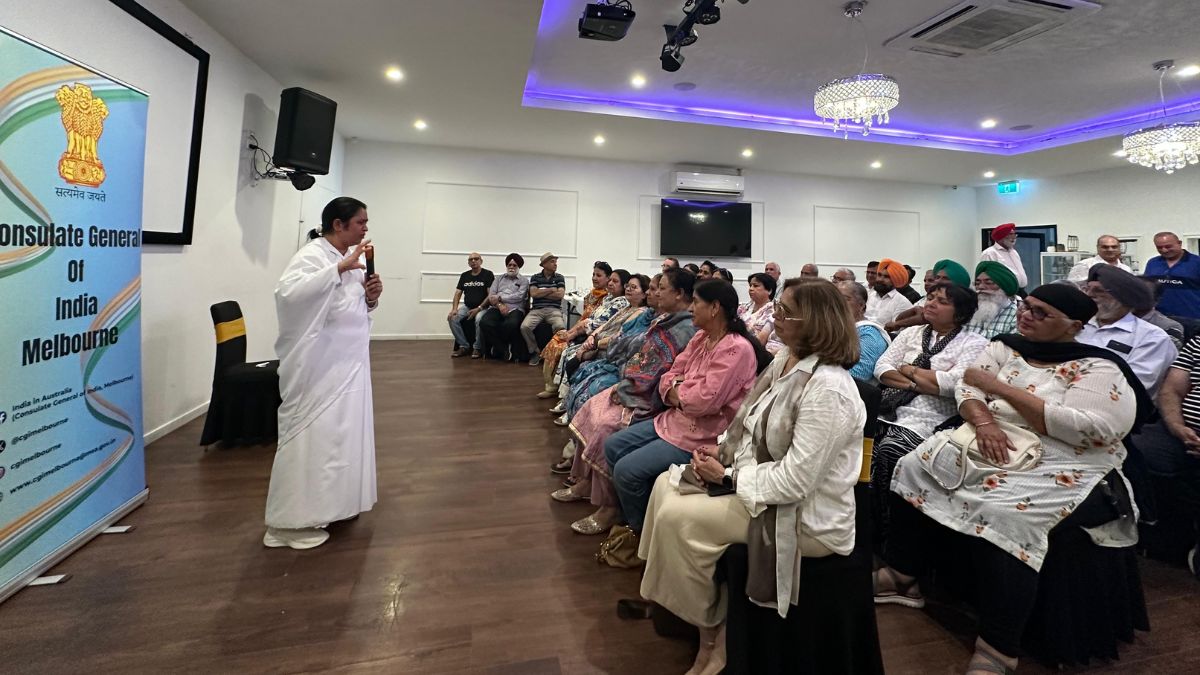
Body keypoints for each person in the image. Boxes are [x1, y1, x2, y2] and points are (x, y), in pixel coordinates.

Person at [875, 283, 1150, 674]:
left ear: (1073, 326)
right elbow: (969, 385)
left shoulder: (1098, 367)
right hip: (990, 436)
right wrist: (985, 420)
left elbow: (1093, 429)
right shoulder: (1006, 346)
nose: (1026, 316)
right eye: (1027, 307)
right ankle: (903, 575)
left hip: (1063, 457)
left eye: (1041, 313)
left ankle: (999, 646)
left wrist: (999, 390)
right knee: (913, 465)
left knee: (1008, 514)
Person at [638, 279, 866, 675]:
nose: (774, 318)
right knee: (663, 486)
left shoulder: (829, 390)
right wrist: (721, 451)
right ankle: (678, 607)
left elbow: (797, 482)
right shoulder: (787, 359)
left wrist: (729, 476)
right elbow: (751, 424)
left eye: (784, 313)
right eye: (777, 308)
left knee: (678, 518)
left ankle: (713, 634)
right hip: (763, 482)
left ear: (814, 322)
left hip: (808, 517)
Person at [264, 196, 382, 550]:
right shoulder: (314, 255)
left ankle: (333, 505)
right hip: (318, 369)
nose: (365, 228)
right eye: (360, 222)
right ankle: (288, 525)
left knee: (339, 438)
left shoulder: (350, 259)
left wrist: (370, 297)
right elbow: (288, 295)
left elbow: (348, 307)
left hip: (348, 366)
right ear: (338, 224)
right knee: (312, 441)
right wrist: (338, 270)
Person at [603, 280, 765, 535]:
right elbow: (668, 375)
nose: (690, 308)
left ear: (715, 308)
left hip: (705, 435)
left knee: (626, 471)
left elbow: (703, 402)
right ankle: (636, 516)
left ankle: (642, 532)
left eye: (696, 302)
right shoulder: (701, 337)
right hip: (675, 420)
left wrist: (679, 389)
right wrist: (679, 389)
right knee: (612, 446)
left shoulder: (736, 348)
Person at [552, 267, 698, 528]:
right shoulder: (666, 319)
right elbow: (640, 355)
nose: (656, 293)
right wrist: (626, 380)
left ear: (679, 294)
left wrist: (627, 387)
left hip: (651, 400)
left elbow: (661, 372)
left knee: (605, 425)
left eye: (661, 288)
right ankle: (585, 482)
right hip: (635, 384)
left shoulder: (686, 328)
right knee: (591, 406)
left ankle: (610, 507)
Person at [871, 283, 986, 541]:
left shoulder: (974, 343)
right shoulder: (911, 333)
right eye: (931, 297)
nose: (931, 303)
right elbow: (882, 368)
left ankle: (890, 533)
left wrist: (909, 369)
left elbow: (955, 383)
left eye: (942, 301)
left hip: (931, 418)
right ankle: (868, 524)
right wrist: (919, 383)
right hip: (889, 408)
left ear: (960, 313)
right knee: (861, 443)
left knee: (891, 449)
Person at [1133, 334, 1200, 577]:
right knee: (1133, 451)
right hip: (1181, 431)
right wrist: (1177, 426)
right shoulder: (1198, 342)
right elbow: (1171, 390)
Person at [560, 274, 656, 421]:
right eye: (628, 286)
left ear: (644, 294)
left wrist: (594, 344)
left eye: (634, 287)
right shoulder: (627, 307)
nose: (628, 289)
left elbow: (619, 339)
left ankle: (573, 412)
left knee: (580, 366)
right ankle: (567, 403)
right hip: (599, 343)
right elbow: (605, 324)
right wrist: (592, 337)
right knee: (571, 355)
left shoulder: (641, 313)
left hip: (612, 354)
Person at [1078, 264, 1177, 396]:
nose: (1089, 295)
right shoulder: (1075, 326)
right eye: (1087, 289)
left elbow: (1132, 385)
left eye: (1099, 291)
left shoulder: (1151, 338)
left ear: (1123, 297)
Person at [540, 269, 630, 398]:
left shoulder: (621, 303)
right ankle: (551, 386)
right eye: (610, 280)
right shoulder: (606, 298)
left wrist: (575, 333)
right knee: (556, 340)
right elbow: (588, 318)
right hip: (585, 333)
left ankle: (564, 393)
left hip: (595, 339)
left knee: (566, 350)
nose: (610, 283)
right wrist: (573, 331)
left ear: (623, 285)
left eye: (614, 281)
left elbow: (598, 324)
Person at [537, 262, 611, 379]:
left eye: (598, 275)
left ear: (608, 278)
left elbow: (595, 322)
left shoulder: (607, 299)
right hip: (579, 329)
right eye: (593, 274)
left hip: (589, 335)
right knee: (556, 339)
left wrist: (574, 333)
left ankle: (555, 382)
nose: (594, 278)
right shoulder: (592, 294)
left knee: (559, 346)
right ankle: (549, 382)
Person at [886, 259, 972, 334]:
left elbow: (925, 318)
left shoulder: (960, 303)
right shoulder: (923, 299)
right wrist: (915, 309)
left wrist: (898, 324)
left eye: (945, 278)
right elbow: (899, 319)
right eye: (937, 277)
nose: (938, 281)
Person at [477, 253, 530, 360]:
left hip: (515, 308)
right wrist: (500, 305)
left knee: (510, 324)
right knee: (484, 322)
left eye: (514, 265)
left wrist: (500, 297)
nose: (511, 267)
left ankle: (498, 347)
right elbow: (491, 296)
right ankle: (503, 348)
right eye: (509, 265)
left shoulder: (524, 281)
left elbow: (519, 297)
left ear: (519, 267)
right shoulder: (498, 279)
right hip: (497, 307)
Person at [838, 280, 890, 381]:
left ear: (861, 305)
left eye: (845, 299)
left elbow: (859, 374)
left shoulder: (869, 334)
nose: (837, 303)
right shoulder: (833, 327)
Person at [521, 252, 566, 366]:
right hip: (537, 310)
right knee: (525, 327)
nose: (555, 264)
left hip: (554, 310)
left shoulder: (559, 277)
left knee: (560, 326)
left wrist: (541, 292)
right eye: (552, 261)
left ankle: (554, 353)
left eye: (556, 262)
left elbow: (560, 295)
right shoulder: (535, 277)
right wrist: (551, 290)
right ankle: (535, 351)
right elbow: (533, 294)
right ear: (544, 264)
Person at [446, 252, 494, 358]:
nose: (473, 261)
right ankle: (464, 346)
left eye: (476, 259)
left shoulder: (488, 274)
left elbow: (490, 295)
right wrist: (454, 309)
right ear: (468, 263)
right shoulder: (465, 275)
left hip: (483, 307)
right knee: (452, 318)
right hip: (467, 306)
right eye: (470, 259)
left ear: (481, 261)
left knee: (478, 319)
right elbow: (458, 293)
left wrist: (479, 308)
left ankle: (477, 348)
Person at [1145, 231, 1200, 319]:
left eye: (1168, 246)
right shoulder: (1153, 263)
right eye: (1159, 247)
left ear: (1179, 243)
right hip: (1160, 318)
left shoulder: (1196, 262)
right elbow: (1147, 288)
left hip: (1192, 317)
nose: (1164, 250)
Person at [966, 261, 1020, 339]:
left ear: (1003, 286)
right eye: (977, 283)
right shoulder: (969, 311)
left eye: (989, 283)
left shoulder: (1016, 316)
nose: (981, 287)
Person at [979, 222, 1028, 290]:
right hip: (1003, 292)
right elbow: (985, 277)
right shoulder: (989, 253)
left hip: (1020, 291)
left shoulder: (1014, 252)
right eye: (1010, 234)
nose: (1014, 237)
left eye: (1014, 234)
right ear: (1001, 237)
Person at [866, 258, 914, 326]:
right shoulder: (868, 295)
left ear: (895, 280)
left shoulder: (902, 303)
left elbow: (896, 330)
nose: (880, 279)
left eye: (886, 277)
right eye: (879, 275)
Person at [1067, 235, 1132, 282]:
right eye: (1105, 247)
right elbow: (1073, 289)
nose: (1110, 250)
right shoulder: (1085, 265)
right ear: (1098, 248)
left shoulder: (1126, 269)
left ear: (1119, 248)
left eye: (1114, 247)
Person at [738, 272, 776, 348]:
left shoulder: (773, 311)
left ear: (769, 291)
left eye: (755, 286)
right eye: (750, 285)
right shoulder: (744, 307)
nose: (751, 289)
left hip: (755, 349)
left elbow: (760, 341)